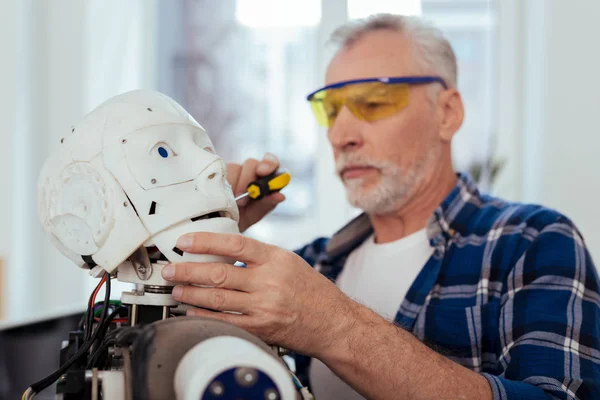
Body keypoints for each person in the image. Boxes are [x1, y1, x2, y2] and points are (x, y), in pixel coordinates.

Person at [160, 14, 600, 399]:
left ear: (447, 113)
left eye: (372, 101)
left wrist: (333, 323)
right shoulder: (314, 265)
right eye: (331, 110)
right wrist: (217, 231)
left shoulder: (533, 243)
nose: (340, 135)